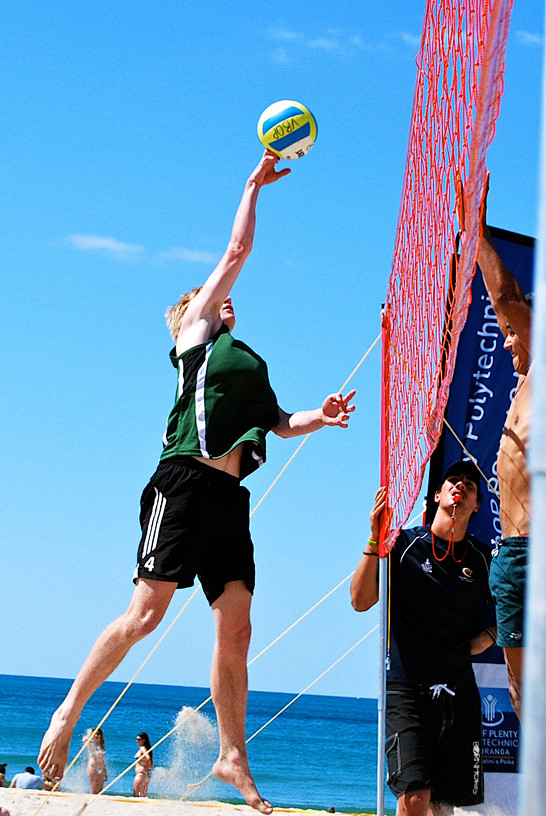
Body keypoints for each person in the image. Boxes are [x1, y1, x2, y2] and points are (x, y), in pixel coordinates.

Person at [38, 151, 356, 815]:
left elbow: (278, 422)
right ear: (191, 316)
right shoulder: (195, 339)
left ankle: (232, 756)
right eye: (206, 298)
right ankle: (69, 712)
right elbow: (237, 249)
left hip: (228, 501)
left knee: (235, 631)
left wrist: (320, 419)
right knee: (145, 615)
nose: (221, 297)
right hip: (182, 485)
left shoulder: (246, 368)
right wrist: (252, 187)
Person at [351, 462, 496, 816]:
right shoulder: (403, 544)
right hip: (407, 688)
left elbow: (513, 606)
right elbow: (360, 600)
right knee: (415, 798)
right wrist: (374, 537)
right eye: (453, 481)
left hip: (458, 692)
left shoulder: (483, 559)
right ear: (438, 494)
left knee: (443, 806)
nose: (460, 487)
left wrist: (490, 635)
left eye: (469, 485)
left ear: (477, 505)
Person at [477, 174, 531, 719]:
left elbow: (507, 297)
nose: (507, 340)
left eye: (512, 333)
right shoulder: (521, 389)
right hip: (511, 553)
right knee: (521, 696)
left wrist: (476, 233)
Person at [83, 727, 107, 794]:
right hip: (93, 768)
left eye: (98, 734)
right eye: (94, 734)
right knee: (93, 790)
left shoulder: (102, 746)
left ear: (101, 735)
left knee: (100, 791)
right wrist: (90, 733)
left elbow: (103, 760)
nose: (96, 736)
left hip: (101, 769)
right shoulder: (91, 744)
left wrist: (105, 772)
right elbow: (84, 740)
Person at [133, 732, 153, 797]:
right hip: (147, 775)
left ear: (144, 740)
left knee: (136, 795)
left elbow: (148, 758)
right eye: (136, 739)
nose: (137, 741)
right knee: (143, 796)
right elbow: (150, 760)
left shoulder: (143, 748)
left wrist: (147, 768)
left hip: (141, 775)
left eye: (139, 739)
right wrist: (148, 769)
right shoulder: (148, 749)